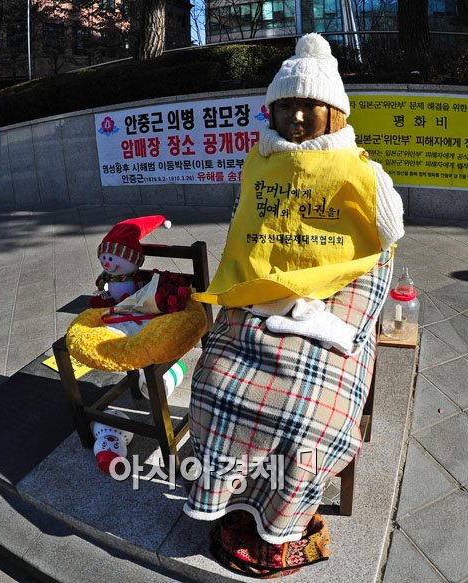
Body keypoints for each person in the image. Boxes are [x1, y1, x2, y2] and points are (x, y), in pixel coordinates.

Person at [184, 33, 404, 578]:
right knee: (214, 383)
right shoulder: (259, 164)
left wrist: (367, 191)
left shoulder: (359, 169)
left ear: (334, 113)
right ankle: (236, 501)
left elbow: (389, 233)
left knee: (312, 416)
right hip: (263, 293)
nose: (298, 118)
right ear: (273, 109)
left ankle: (284, 517)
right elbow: (245, 229)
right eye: (287, 105)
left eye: (310, 106)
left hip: (333, 293)